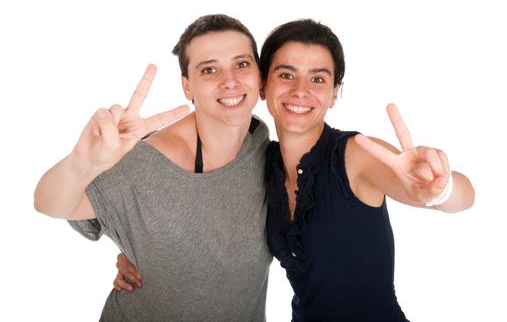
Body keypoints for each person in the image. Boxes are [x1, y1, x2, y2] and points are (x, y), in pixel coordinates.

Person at [114, 19, 475, 321]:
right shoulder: (258, 157)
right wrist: (138, 252)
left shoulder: (355, 154)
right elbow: (198, 206)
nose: (301, 91)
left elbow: (461, 197)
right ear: (263, 86)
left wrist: (439, 190)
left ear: (335, 93)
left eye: (318, 79)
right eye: (286, 75)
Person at [34, 14, 273, 321]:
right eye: (209, 69)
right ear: (187, 87)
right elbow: (49, 203)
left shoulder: (263, 146)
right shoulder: (146, 161)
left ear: (259, 77)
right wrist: (83, 163)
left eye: (241, 64)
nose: (230, 81)